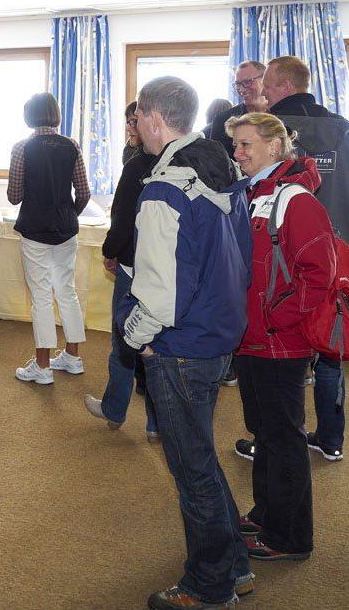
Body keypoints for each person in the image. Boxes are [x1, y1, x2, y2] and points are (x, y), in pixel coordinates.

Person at [119, 77, 253, 610]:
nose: (138, 129)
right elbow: (238, 260)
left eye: (139, 118)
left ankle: (209, 586)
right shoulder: (224, 173)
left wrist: (136, 341)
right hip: (219, 334)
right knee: (202, 458)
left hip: (180, 344)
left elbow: (156, 291)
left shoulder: (165, 189)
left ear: (153, 117)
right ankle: (236, 566)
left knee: (191, 470)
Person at [227, 112, 336, 562]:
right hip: (251, 338)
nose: (238, 153)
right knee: (265, 433)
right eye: (236, 146)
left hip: (278, 340)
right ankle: (267, 513)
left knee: (284, 436)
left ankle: (290, 537)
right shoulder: (253, 194)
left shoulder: (296, 200)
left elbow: (320, 272)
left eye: (247, 144)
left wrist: (278, 319)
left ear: (276, 147)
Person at [232, 56, 348, 463]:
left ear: (279, 84)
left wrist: (275, 316)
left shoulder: (268, 131)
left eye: (262, 84)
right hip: (338, 250)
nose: (259, 92)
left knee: (280, 406)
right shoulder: (342, 127)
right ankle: (331, 438)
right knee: (329, 346)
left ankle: (277, 448)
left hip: (289, 277)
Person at [85, 105, 158, 436]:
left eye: (135, 120)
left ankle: (114, 409)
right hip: (165, 269)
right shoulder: (182, 162)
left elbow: (123, 217)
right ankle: (157, 424)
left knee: (125, 342)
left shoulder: (137, 165)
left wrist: (111, 251)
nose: (131, 126)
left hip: (135, 267)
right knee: (159, 347)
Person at [7, 93, 89, 385]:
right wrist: (68, 212)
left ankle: (42, 366)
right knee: (67, 292)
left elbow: (14, 196)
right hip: (66, 228)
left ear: (30, 116)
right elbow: (84, 192)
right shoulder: (72, 145)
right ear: (55, 114)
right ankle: (73, 357)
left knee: (41, 297)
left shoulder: (22, 148)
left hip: (35, 229)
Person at [207, 61, 268, 156]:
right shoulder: (222, 120)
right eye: (238, 84)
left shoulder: (282, 114)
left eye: (248, 82)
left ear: (265, 80)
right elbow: (217, 162)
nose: (242, 89)